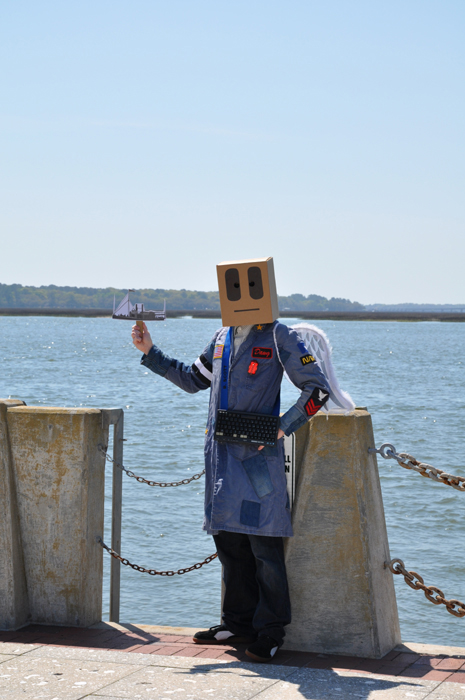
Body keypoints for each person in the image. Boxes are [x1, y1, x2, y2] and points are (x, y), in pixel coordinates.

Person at [132, 314, 330, 662]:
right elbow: (193, 379)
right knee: (229, 544)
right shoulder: (221, 337)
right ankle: (237, 623)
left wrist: (282, 427)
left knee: (265, 549)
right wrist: (150, 351)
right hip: (221, 462)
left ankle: (271, 631)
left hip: (256, 463)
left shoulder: (278, 335)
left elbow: (318, 390)